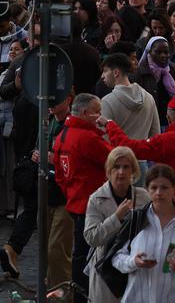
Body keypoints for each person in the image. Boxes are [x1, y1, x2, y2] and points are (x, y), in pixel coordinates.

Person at [110, 164, 175, 302]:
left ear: (174, 189)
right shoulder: (136, 220)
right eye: (154, 188)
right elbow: (116, 257)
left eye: (164, 187)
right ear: (147, 190)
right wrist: (134, 262)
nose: (159, 192)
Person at [53, 92, 112, 294]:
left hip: (75, 202)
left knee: (80, 254)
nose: (100, 116)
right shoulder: (88, 138)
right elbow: (115, 160)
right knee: (89, 256)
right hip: (93, 205)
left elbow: (60, 174)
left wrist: (71, 192)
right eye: (98, 112)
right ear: (86, 113)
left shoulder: (63, 135)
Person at [84, 146, 151, 303]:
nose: (121, 172)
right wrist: (116, 217)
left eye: (126, 167)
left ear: (133, 171)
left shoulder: (143, 197)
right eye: (116, 166)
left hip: (135, 268)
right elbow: (91, 238)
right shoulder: (96, 198)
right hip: (105, 271)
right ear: (109, 171)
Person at [101, 97, 175, 199]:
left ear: (169, 118)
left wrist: (109, 125)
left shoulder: (167, 140)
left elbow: (131, 148)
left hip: (173, 200)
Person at [98, 53, 160, 139]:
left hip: (119, 151)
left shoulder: (106, 102)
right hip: (144, 151)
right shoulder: (148, 97)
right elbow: (156, 134)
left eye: (105, 71)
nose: (102, 76)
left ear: (116, 72)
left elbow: (105, 137)